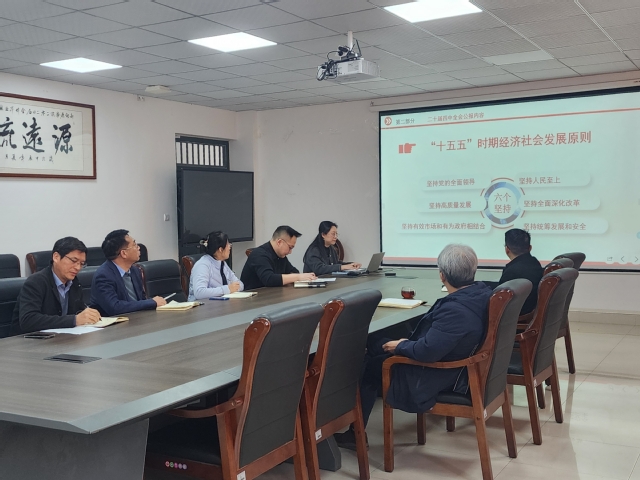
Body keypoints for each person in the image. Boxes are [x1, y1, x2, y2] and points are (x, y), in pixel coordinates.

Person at [335, 244, 491, 449]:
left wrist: (402, 346)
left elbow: (427, 352)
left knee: (369, 365)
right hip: (455, 366)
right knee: (374, 342)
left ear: (442, 275)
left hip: (435, 376)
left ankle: (351, 431)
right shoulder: (481, 294)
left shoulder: (456, 311)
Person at [11, 237, 101, 334]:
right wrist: (74, 320)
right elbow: (28, 320)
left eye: (81, 264)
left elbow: (78, 310)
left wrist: (88, 315)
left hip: (61, 337)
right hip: (29, 340)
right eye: (73, 261)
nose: (78, 267)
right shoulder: (36, 282)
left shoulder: (74, 282)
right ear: (56, 257)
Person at [90, 229, 166, 316]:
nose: (138, 247)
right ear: (124, 253)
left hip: (138, 319)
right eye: (134, 245)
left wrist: (152, 303)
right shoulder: (103, 276)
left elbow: (141, 300)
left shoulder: (135, 270)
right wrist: (151, 302)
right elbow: (115, 307)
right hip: (115, 322)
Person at [484, 228, 543, 316]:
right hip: (528, 308)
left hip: (515, 315)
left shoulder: (512, 271)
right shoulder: (534, 263)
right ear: (530, 248)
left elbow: (501, 298)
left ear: (507, 249)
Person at [240, 226, 316, 290]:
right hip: (254, 299)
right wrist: (298, 277)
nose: (290, 252)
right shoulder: (259, 254)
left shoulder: (280, 255)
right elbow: (269, 279)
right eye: (290, 247)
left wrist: (300, 277)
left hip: (272, 295)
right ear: (279, 242)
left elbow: (293, 271)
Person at [188, 231, 244, 300]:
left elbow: (240, 284)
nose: (230, 247)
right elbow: (199, 292)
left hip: (220, 303)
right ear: (220, 249)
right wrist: (227, 289)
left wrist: (234, 287)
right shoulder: (202, 265)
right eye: (228, 244)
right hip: (202, 305)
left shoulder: (222, 263)